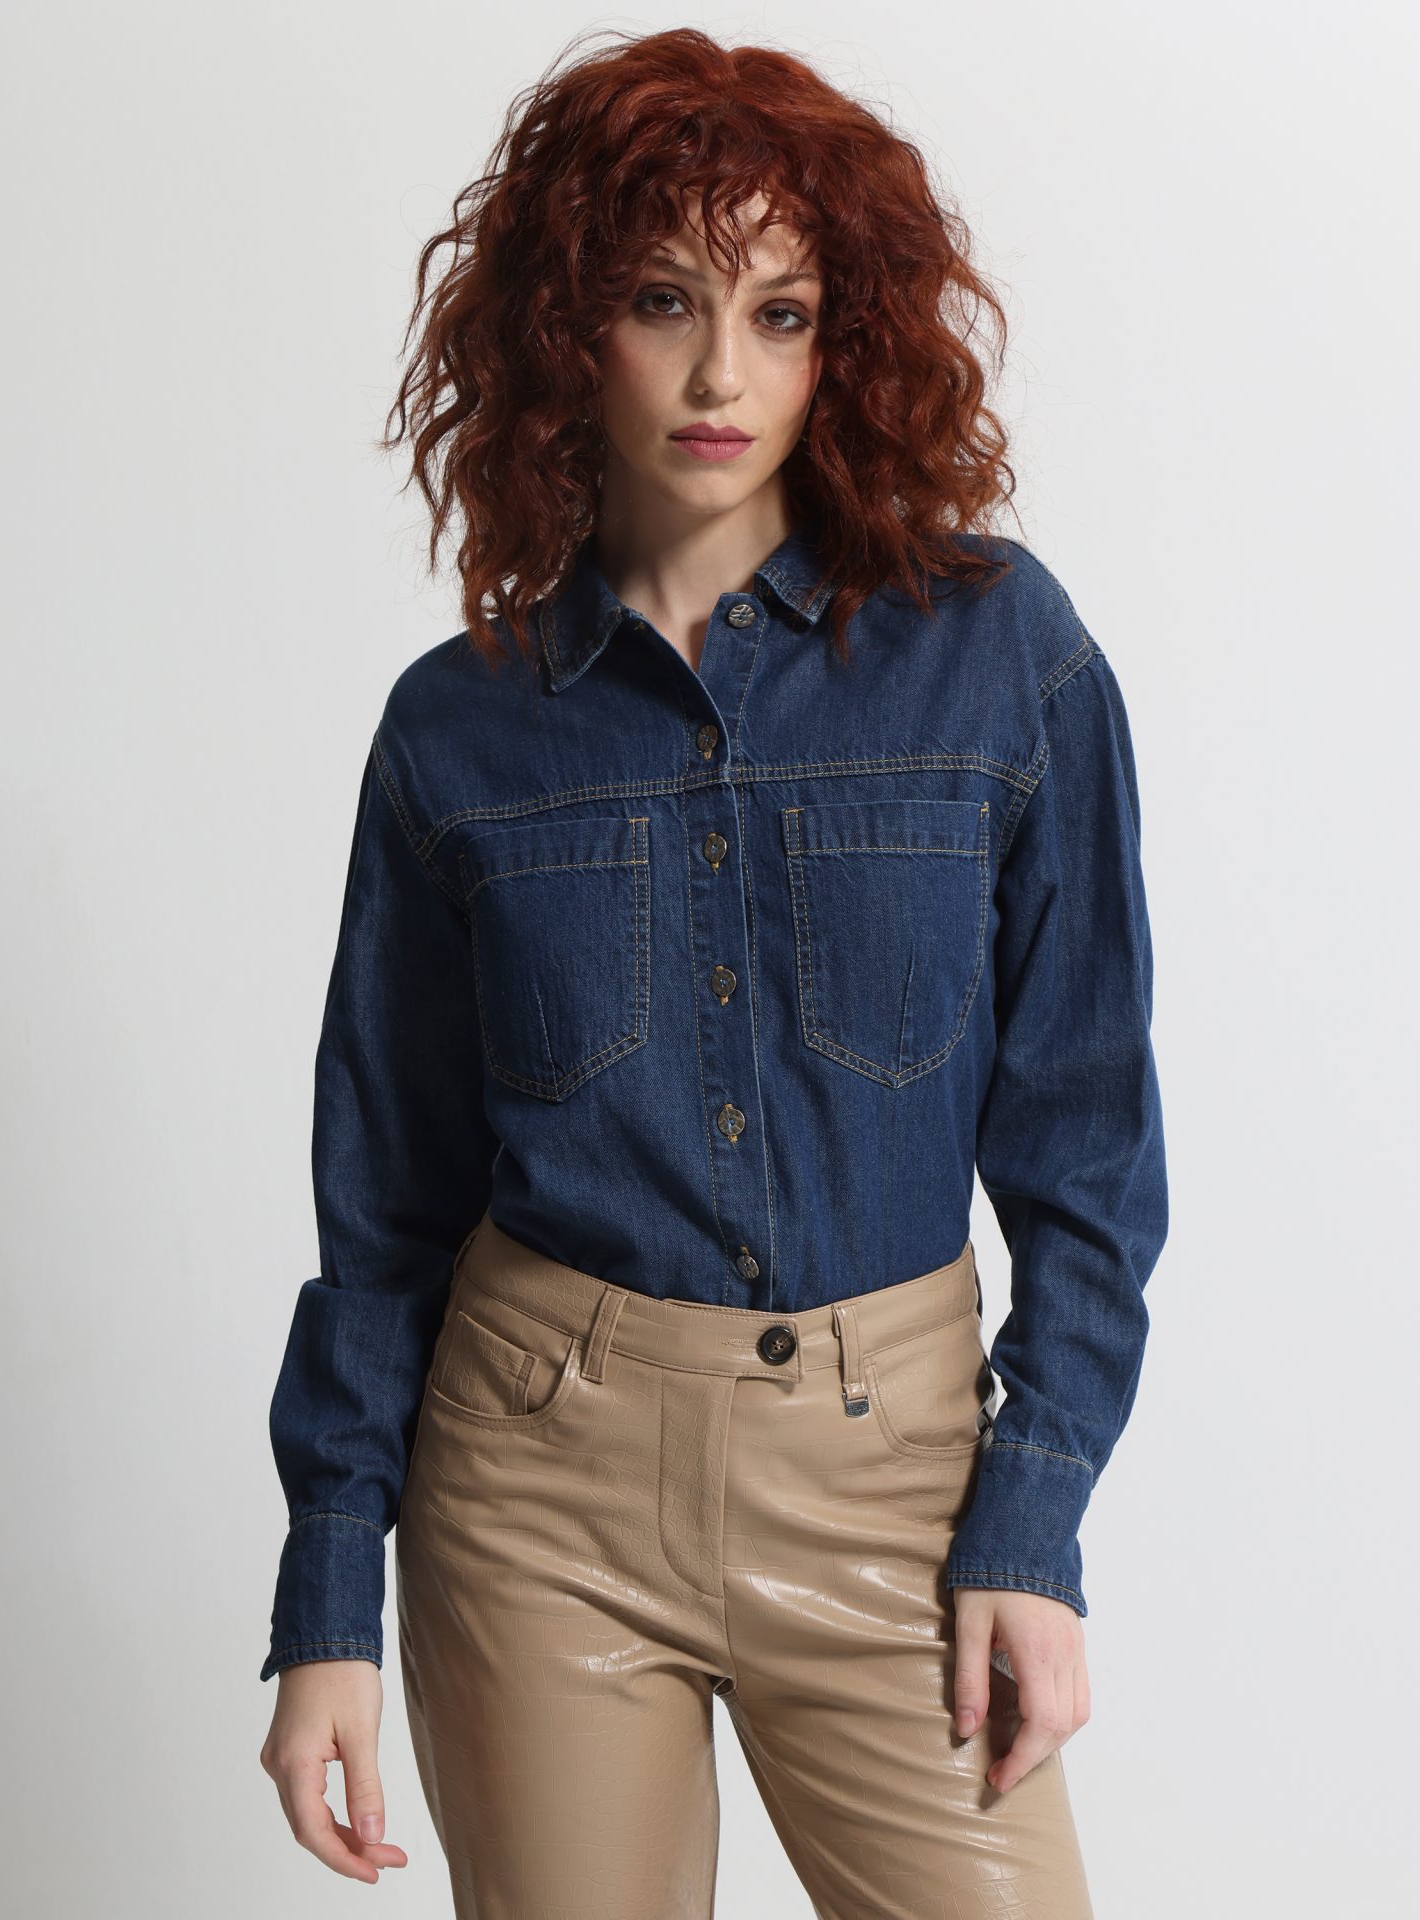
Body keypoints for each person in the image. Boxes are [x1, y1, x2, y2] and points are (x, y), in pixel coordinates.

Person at [257, 26, 1168, 1919]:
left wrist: (1035, 1516)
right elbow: (388, 1204)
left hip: (897, 1478)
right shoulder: (458, 731)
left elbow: (1085, 1145)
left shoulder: (1000, 657)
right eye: (663, 301)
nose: (720, 374)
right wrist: (329, 1592)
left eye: (780, 312)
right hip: (536, 1497)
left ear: (850, 341)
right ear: (565, 331)